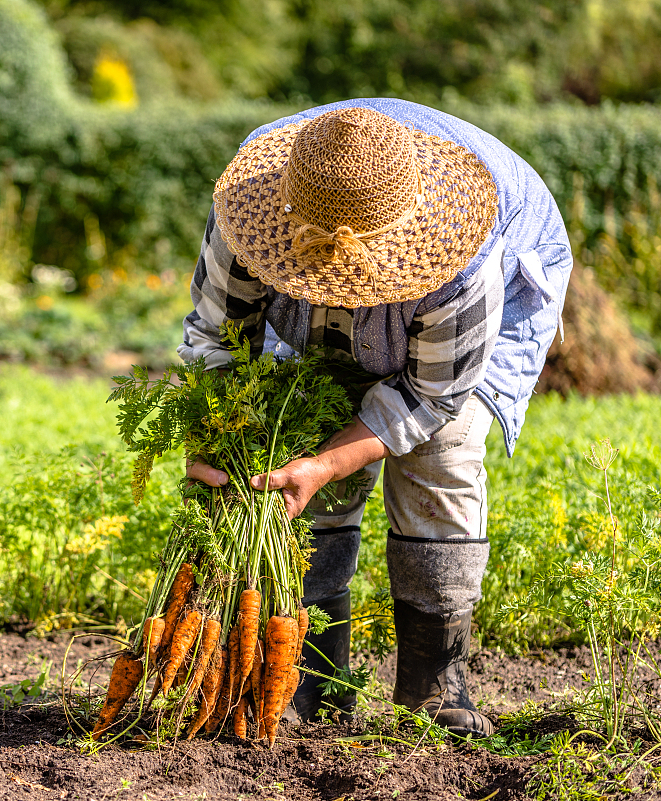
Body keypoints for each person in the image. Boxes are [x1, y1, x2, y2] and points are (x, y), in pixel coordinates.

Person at [180, 99, 572, 738]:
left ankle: (434, 685)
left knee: (438, 462)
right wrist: (215, 439)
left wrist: (332, 460)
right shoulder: (251, 213)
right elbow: (219, 340)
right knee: (296, 473)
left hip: (455, 342)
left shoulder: (459, 251)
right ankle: (311, 683)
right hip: (311, 294)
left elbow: (432, 393)